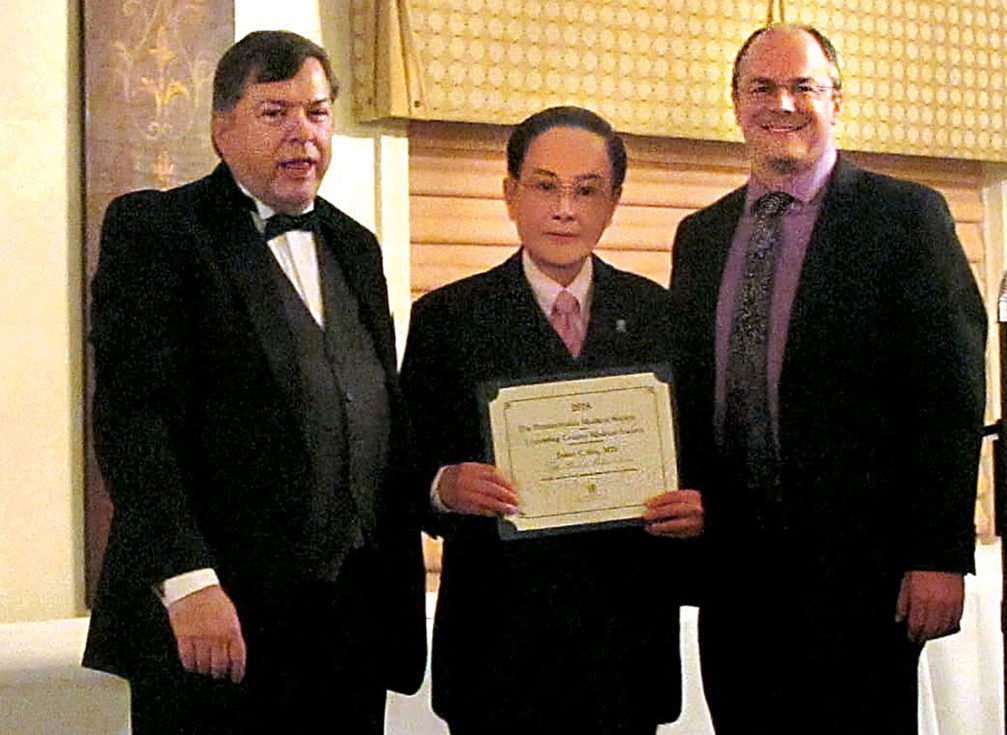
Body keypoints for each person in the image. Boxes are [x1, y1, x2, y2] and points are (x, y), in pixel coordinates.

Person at [82, 31, 425, 734]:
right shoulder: (159, 230)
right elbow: (131, 419)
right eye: (275, 112)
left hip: (350, 631)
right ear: (222, 128)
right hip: (216, 624)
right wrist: (187, 580)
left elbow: (374, 414)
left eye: (317, 113)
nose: (303, 132)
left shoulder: (356, 245)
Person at [668, 24, 987, 734]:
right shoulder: (700, 236)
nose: (782, 104)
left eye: (802, 87)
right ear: (736, 104)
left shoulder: (905, 218)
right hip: (736, 583)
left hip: (864, 582)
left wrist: (938, 555)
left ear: (836, 101)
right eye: (762, 87)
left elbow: (949, 394)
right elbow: (690, 392)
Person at [400, 106, 704, 735]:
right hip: (496, 656)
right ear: (510, 194)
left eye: (586, 191)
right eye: (545, 186)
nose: (565, 209)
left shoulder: (664, 317)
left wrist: (699, 509)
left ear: (614, 203)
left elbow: (704, 458)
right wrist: (443, 486)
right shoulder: (448, 319)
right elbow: (398, 470)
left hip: (624, 655)